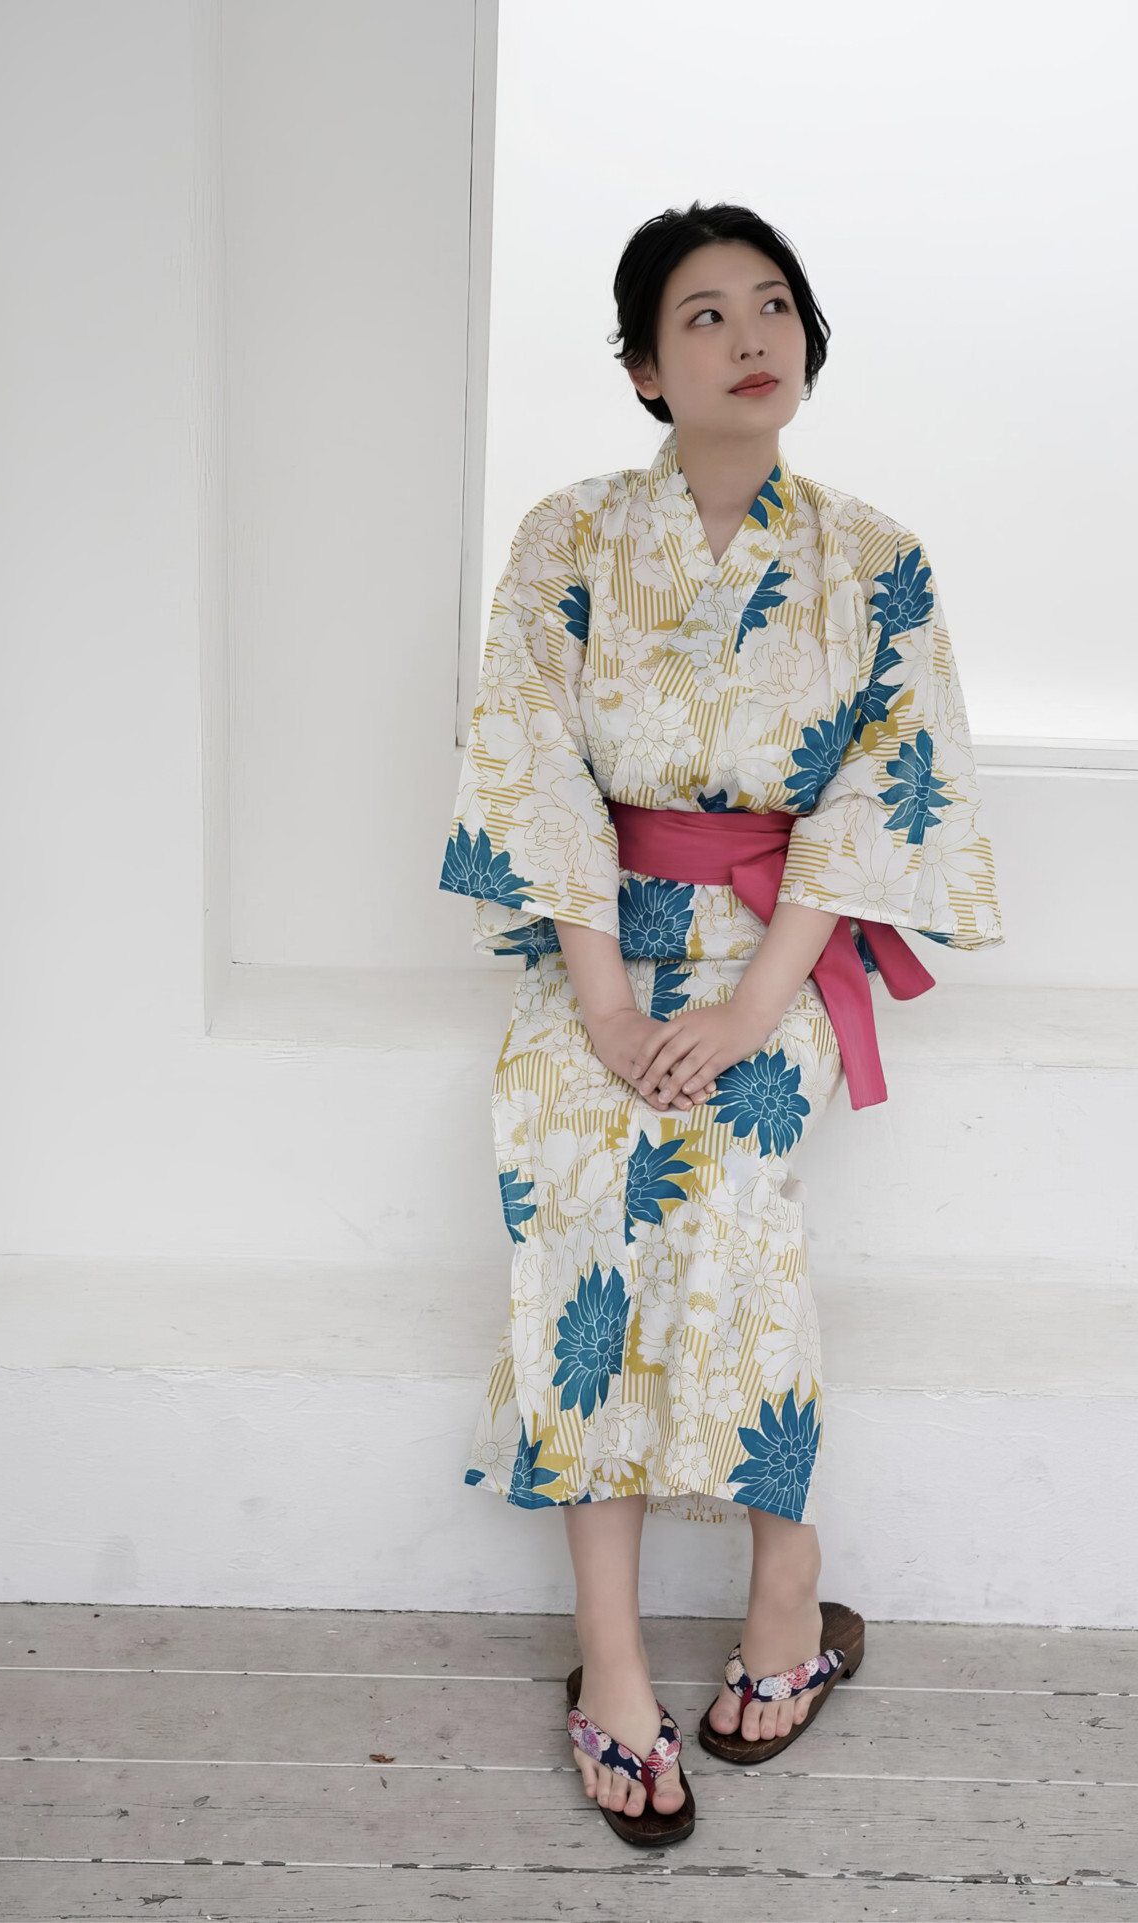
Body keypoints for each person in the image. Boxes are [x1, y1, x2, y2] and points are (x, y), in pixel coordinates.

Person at [438, 200, 1003, 1846]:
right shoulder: (567, 536)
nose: (750, 336)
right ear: (642, 368)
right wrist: (607, 1005)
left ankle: (786, 1583)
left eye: (774, 306)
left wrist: (758, 1007)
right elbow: (532, 763)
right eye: (703, 315)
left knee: (737, 1186)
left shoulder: (877, 558)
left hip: (778, 947)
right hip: (601, 941)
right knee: (576, 1178)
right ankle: (611, 1661)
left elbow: (883, 790)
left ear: (807, 343)